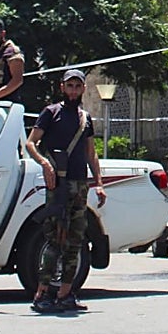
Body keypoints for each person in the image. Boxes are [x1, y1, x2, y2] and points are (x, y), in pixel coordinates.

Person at [24, 68, 106, 314]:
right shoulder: (51, 113)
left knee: (75, 240)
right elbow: (30, 143)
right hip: (57, 185)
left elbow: (91, 153)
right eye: (69, 86)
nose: (73, 90)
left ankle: (66, 293)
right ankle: (42, 293)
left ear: (82, 89)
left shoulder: (85, 118)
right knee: (53, 239)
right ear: (62, 87)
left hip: (79, 185)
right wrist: (45, 163)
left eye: (77, 86)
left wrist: (99, 183)